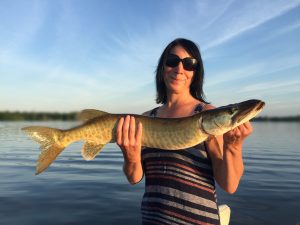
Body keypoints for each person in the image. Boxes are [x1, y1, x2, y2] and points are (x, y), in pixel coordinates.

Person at [116, 38, 253, 225]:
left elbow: (229, 185)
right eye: (172, 61)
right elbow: (134, 178)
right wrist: (130, 157)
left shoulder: (206, 114)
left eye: (189, 64)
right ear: (162, 68)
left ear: (196, 73)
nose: (180, 69)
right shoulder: (146, 118)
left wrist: (233, 147)